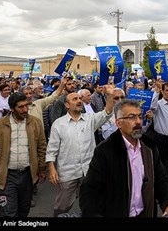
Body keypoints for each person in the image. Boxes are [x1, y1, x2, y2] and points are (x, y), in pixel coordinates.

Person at [80, 99, 168, 217]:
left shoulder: (149, 146)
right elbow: (90, 191)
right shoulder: (105, 151)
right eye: (132, 117)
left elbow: (161, 180)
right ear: (118, 123)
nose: (138, 122)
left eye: (140, 116)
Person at [46, 85, 116, 217]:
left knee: (91, 204)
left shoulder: (90, 119)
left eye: (79, 98)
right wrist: (51, 169)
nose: (79, 101)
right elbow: (52, 149)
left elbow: (107, 112)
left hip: (89, 171)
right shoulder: (59, 124)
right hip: (68, 172)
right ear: (66, 105)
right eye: (74, 99)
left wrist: (110, 95)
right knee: (62, 206)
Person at [0, 92, 47, 217]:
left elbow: (41, 147)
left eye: (26, 106)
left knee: (24, 209)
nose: (25, 110)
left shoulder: (35, 123)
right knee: (9, 213)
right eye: (21, 107)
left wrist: (41, 169)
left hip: (28, 175)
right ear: (12, 108)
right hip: (6, 176)